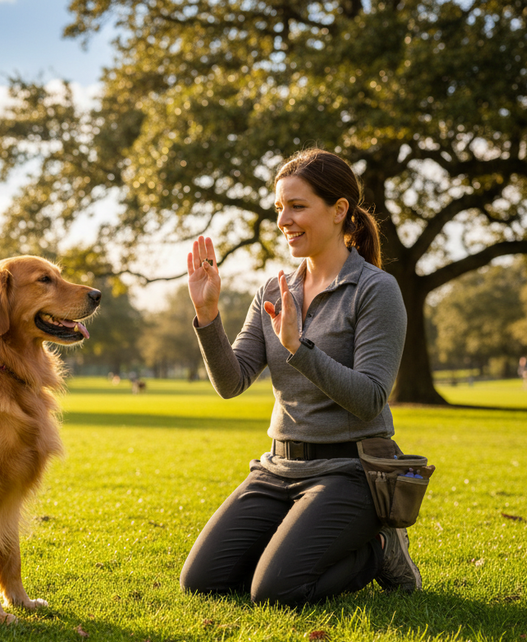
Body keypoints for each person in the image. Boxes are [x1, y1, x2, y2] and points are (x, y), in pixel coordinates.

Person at [179, 148, 420, 606]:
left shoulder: (376, 290)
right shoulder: (273, 289)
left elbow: (370, 398)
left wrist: (298, 349)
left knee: (276, 591)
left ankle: (380, 549)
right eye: (279, 208)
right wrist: (208, 316)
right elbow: (232, 383)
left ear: (339, 211)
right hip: (277, 469)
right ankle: (293, 544)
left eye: (297, 206)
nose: (283, 220)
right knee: (202, 581)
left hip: (350, 472)